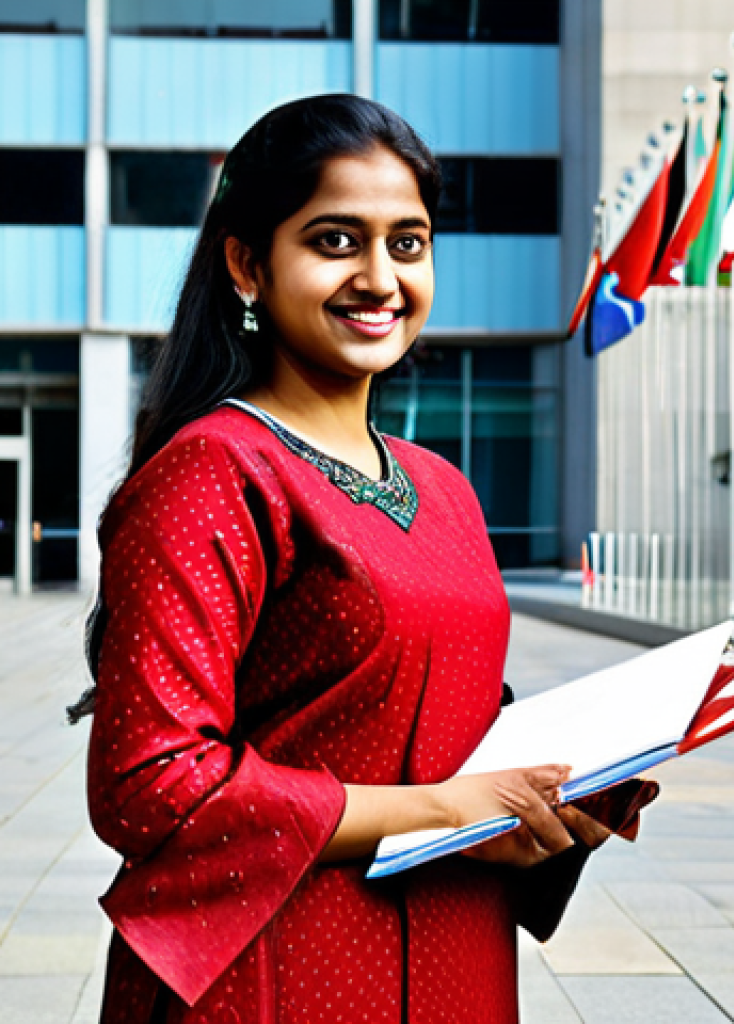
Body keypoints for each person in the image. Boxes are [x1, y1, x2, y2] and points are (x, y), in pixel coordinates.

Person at [77, 94, 614, 1024]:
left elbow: (450, 729)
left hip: (457, 954)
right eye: (336, 240)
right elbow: (148, 785)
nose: (380, 277)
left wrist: (552, 803)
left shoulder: (443, 487)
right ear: (249, 264)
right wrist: (443, 811)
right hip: (276, 967)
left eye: (409, 243)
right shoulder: (214, 470)